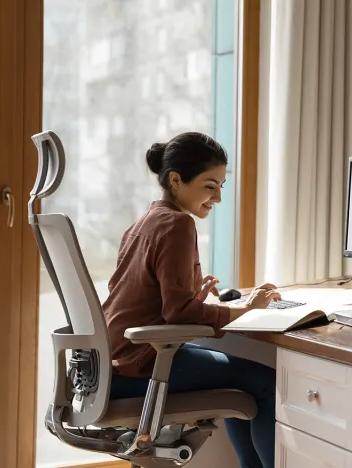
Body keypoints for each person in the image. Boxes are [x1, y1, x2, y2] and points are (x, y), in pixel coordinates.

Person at [102, 132, 280, 468]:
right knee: (267, 384)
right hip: (141, 365)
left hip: (114, 362)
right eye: (209, 186)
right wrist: (246, 308)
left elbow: (157, 303)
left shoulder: (145, 221)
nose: (218, 198)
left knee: (245, 387)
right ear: (176, 180)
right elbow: (178, 311)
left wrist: (193, 298)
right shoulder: (178, 223)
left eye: (221, 187)